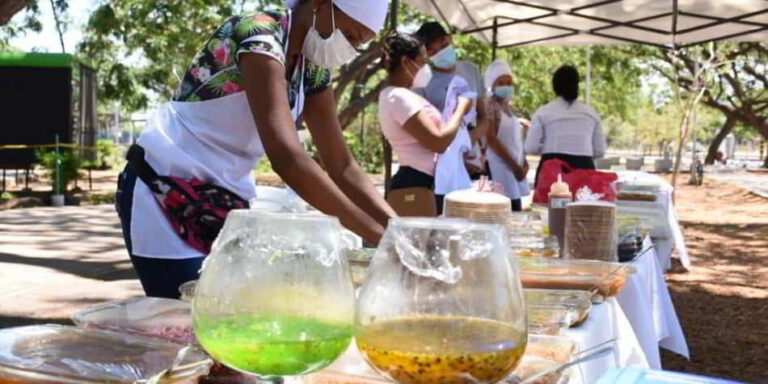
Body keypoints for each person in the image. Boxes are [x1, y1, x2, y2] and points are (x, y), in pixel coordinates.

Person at [115, 0, 394, 298]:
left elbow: (342, 165)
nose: (348, 50)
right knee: (183, 318)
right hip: (164, 190)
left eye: (358, 44)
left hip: (219, 203)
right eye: (350, 35)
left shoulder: (311, 69)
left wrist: (402, 231)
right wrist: (379, 236)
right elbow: (288, 159)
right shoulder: (258, 35)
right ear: (320, 4)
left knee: (227, 320)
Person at [378, 33, 473, 195]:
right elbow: (438, 142)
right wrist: (461, 108)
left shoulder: (402, 95)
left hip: (425, 181)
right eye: (422, 62)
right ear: (406, 63)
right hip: (418, 183)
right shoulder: (398, 97)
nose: (425, 69)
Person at [413, 22, 481, 211]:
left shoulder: (471, 70)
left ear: (449, 39)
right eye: (434, 52)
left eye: (443, 46)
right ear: (426, 56)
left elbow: (485, 119)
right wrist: (453, 150)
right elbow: (425, 128)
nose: (441, 53)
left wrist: (466, 149)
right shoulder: (422, 81)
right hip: (440, 160)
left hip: (471, 159)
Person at [524, 65, 606, 187]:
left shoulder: (543, 112)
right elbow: (600, 151)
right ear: (577, 86)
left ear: (554, 87)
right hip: (584, 170)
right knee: (583, 205)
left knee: (547, 205)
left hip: (551, 170)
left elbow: (530, 147)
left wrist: (549, 148)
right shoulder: (591, 114)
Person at [483, 60, 530, 211]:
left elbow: (515, 139)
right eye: (501, 82)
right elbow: (491, 139)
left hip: (514, 168)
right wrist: (514, 165)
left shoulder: (507, 106)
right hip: (500, 168)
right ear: (493, 84)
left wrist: (524, 161)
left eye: (509, 82)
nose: (506, 86)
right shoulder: (490, 104)